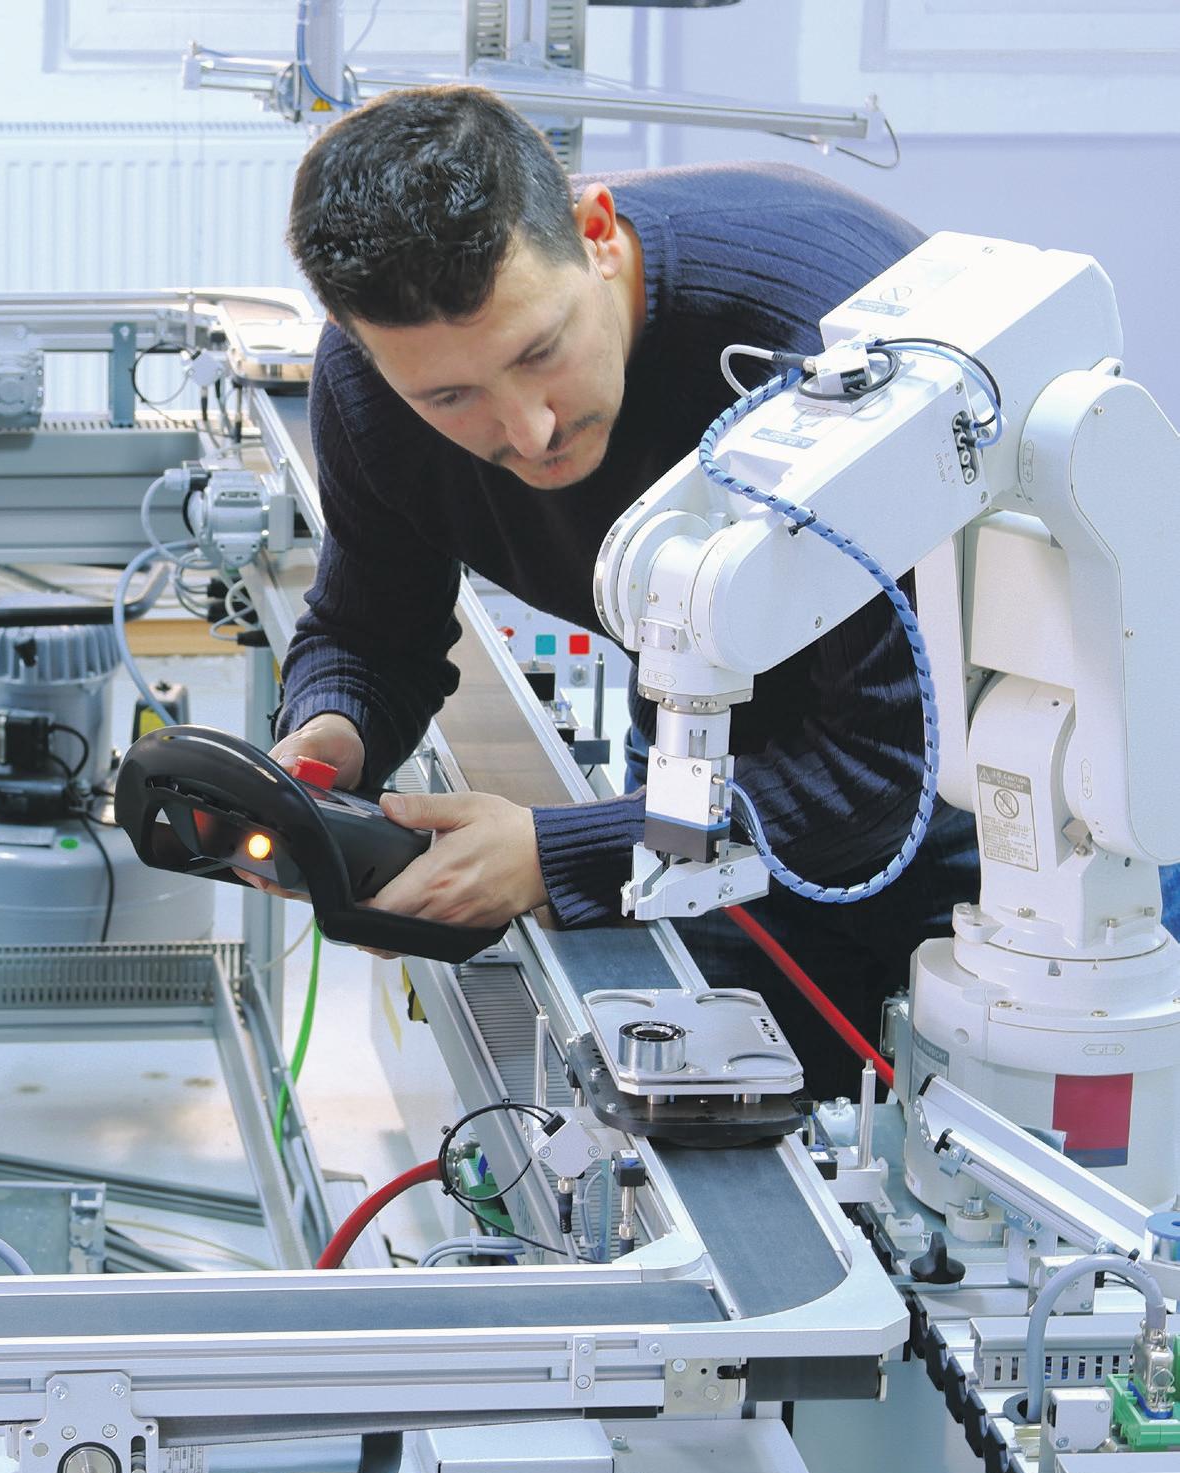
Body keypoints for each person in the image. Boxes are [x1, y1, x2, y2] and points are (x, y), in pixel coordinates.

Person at [266, 84, 979, 1099]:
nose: (529, 431)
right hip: (705, 748)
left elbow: (887, 771)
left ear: (596, 232)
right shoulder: (368, 391)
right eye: (450, 396)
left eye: (539, 352)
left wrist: (554, 853)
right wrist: (328, 734)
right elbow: (369, 628)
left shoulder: (824, 353)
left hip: (1006, 825)